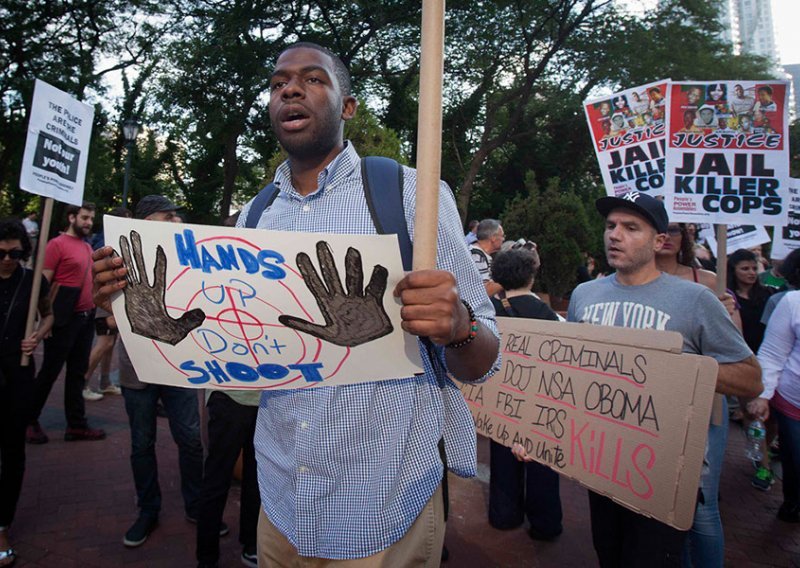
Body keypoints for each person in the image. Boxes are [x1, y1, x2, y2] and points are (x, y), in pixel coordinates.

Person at [93, 43, 500, 565]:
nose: (290, 88)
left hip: (386, 507)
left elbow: (483, 360)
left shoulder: (409, 195)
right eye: (278, 82)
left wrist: (458, 325)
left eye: (313, 79)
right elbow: (234, 353)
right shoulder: (254, 218)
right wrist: (133, 314)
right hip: (281, 506)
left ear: (348, 106)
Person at [542, 191, 760, 567]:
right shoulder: (584, 295)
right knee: (609, 555)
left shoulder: (695, 299)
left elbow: (751, 379)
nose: (614, 235)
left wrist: (675, 371)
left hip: (662, 474)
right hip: (600, 463)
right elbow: (571, 376)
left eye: (631, 227)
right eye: (610, 226)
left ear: (660, 241)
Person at [104, 195, 212, 548]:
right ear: (145, 221)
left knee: (191, 439)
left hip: (178, 365)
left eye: (176, 217)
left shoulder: (187, 255)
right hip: (137, 371)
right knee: (141, 443)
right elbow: (102, 311)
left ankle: (197, 506)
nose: (175, 223)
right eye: (167, 217)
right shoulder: (117, 258)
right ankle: (148, 510)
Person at [488, 247, 562, 541]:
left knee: (502, 455)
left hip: (500, 397)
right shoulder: (548, 315)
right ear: (532, 275)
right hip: (541, 401)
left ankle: (503, 514)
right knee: (544, 461)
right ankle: (546, 522)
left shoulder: (488, 310)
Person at [26, 203, 106, 444]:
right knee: (49, 372)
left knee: (77, 375)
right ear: (72, 218)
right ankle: (29, 420)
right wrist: (43, 322)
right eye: (84, 217)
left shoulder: (85, 246)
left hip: (84, 318)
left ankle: (76, 425)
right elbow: (43, 283)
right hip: (62, 319)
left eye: (91, 218)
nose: (88, 222)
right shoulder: (56, 245)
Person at [0, 219, 54, 568]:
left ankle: (2, 525)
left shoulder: (33, 282)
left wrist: (37, 334)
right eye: (2, 252)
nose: (7, 259)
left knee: (12, 451)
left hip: (17, 375)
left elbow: (48, 316)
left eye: (15, 253)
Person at [749, 267, 800, 522]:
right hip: (793, 403)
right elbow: (772, 353)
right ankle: (792, 501)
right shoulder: (792, 302)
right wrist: (763, 394)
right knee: (794, 459)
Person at [728, 248, 776, 490]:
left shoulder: (768, 295)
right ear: (733, 271)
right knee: (753, 412)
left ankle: (762, 450)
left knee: (770, 416)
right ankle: (763, 466)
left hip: (768, 361)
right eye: (744, 268)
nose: (751, 273)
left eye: (753, 268)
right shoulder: (727, 297)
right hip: (743, 363)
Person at [195, 389, 260, 568]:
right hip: (228, 395)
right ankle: (206, 556)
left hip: (266, 398)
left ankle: (252, 543)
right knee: (216, 479)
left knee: (258, 478)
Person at [83, 207, 132, 400]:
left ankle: (105, 382)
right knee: (104, 343)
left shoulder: (105, 238)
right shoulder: (110, 242)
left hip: (114, 296)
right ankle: (82, 383)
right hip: (108, 297)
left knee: (110, 343)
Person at [470, 218, 505, 296]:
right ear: (493, 238)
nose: (503, 239)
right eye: (502, 236)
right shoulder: (477, 256)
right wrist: (509, 279)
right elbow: (484, 291)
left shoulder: (479, 254)